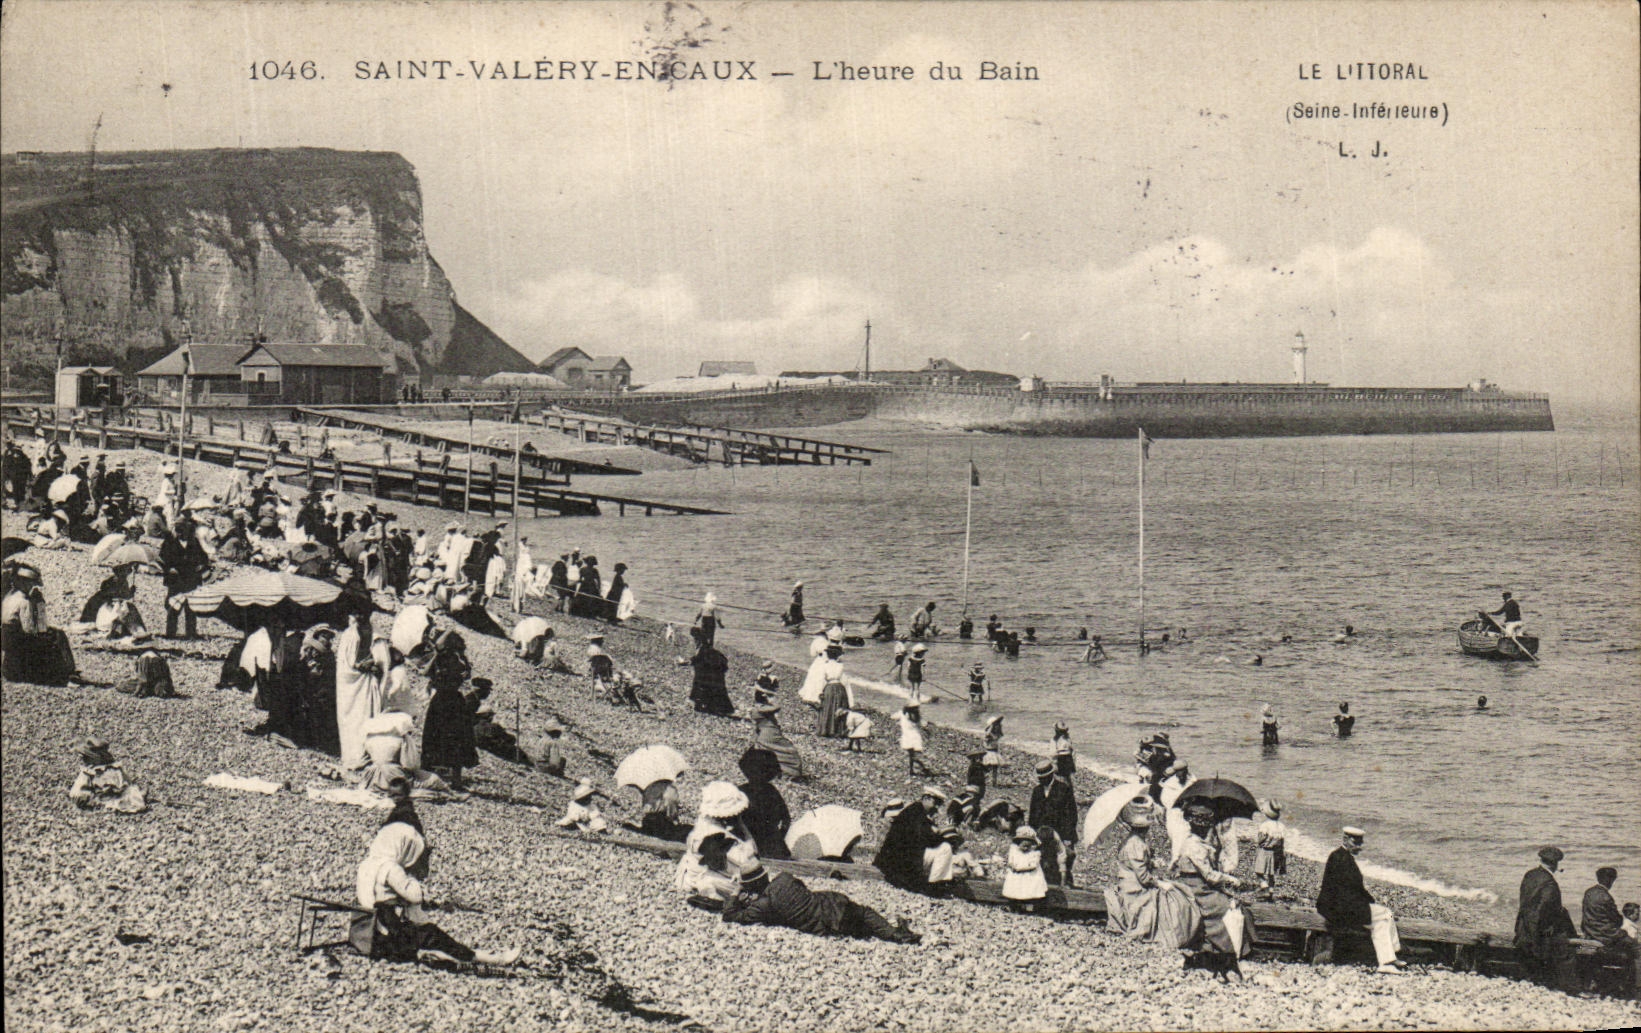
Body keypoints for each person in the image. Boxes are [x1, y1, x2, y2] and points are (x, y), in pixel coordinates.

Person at [354, 819, 520, 966]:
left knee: (430, 939)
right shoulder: (391, 868)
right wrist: (412, 877)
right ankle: (491, 959)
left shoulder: (368, 864)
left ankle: (452, 955)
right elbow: (415, 896)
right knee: (436, 937)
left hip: (370, 931)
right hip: (392, 930)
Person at [722, 859, 920, 943]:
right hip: (835, 903)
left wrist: (735, 892)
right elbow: (803, 889)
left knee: (861, 926)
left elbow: (730, 915)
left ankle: (895, 934)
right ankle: (894, 933)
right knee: (865, 913)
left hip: (828, 925)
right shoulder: (785, 877)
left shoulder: (764, 905)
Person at [1104, 796, 1199, 946]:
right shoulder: (1136, 844)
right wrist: (1160, 883)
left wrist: (1152, 863)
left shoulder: (1132, 840)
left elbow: (1137, 865)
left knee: (1174, 891)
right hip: (1134, 889)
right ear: (1145, 827)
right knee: (1172, 897)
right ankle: (1173, 934)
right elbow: (1144, 878)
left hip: (1129, 882)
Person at [1175, 800, 1253, 980]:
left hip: (1196, 883)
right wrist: (1230, 879)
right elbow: (1209, 875)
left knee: (1227, 902)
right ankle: (1224, 949)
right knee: (1223, 906)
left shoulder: (1196, 843)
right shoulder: (1195, 846)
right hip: (1196, 887)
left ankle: (1221, 949)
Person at [1316, 826, 1405, 974]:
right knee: (1383, 916)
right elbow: (1346, 891)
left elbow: (1354, 889)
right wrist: (1366, 905)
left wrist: (1369, 903)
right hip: (1337, 908)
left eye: (1360, 843)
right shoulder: (1341, 859)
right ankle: (1387, 960)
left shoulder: (1341, 856)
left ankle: (1391, 957)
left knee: (1384, 916)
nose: (1359, 846)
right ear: (1345, 839)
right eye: (1356, 842)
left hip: (1341, 904)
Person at [2, 562, 82, 685]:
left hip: (8, 644)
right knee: (58, 635)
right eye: (31, 584)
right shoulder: (24, 601)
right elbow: (32, 630)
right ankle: (67, 673)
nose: (32, 587)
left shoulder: (8, 597)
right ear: (25, 583)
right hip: (21, 644)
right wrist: (40, 606)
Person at [1515, 846, 1579, 992]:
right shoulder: (1550, 883)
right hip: (1538, 930)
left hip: (1523, 925)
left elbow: (1527, 903)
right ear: (1555, 864)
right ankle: (1569, 988)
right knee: (1566, 946)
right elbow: (1545, 911)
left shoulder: (1530, 874)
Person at [676, 781, 754, 898]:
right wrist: (742, 826)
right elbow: (751, 858)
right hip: (706, 878)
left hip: (690, 873)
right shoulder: (719, 836)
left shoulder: (704, 822)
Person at [420, 630, 477, 790]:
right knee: (457, 741)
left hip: (440, 702)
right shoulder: (458, 661)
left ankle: (432, 778)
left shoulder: (441, 660)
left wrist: (436, 654)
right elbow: (466, 676)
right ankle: (456, 782)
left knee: (435, 739)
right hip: (454, 702)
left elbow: (425, 672)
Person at [875, 787, 955, 894]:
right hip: (901, 863)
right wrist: (942, 836)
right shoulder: (916, 814)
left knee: (942, 848)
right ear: (926, 798)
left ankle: (936, 883)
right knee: (945, 848)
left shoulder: (914, 811)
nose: (936, 808)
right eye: (935, 803)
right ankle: (934, 885)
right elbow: (927, 839)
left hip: (896, 861)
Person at [1580, 867, 1638, 993]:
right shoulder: (1606, 897)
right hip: (1605, 934)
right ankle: (1634, 986)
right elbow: (1616, 919)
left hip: (1589, 932)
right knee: (1635, 946)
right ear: (1610, 880)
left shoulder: (1589, 892)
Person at [334, 612, 379, 771]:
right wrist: (366, 665)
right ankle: (355, 756)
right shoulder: (351, 635)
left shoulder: (357, 632)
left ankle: (361, 754)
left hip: (357, 681)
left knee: (360, 718)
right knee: (354, 719)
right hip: (352, 683)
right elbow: (351, 662)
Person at [1028, 759, 1080, 887]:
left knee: (1063, 862)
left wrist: (1068, 837)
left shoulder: (1063, 789)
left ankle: (1066, 886)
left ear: (1051, 775)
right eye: (1039, 778)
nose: (1041, 780)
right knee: (1044, 862)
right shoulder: (1037, 791)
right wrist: (1031, 834)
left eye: (1043, 777)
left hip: (1062, 833)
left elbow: (1071, 815)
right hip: (1042, 834)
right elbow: (1032, 814)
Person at [67, 738, 147, 813]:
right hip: (114, 794)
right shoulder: (116, 768)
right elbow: (127, 782)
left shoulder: (89, 772)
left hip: (99, 797)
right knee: (129, 792)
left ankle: (111, 803)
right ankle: (126, 801)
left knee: (83, 795)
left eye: (86, 757)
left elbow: (79, 790)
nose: (83, 759)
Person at [737, 757, 791, 860]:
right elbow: (786, 819)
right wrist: (779, 836)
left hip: (752, 846)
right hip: (770, 845)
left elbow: (786, 819)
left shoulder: (741, 790)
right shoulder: (770, 790)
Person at [687, 630, 735, 716]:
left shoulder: (703, 648)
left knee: (704, 687)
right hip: (711, 673)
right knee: (710, 689)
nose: (693, 641)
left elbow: (699, 659)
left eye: (694, 639)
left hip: (707, 674)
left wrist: (687, 662)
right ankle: (709, 706)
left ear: (698, 639)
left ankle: (705, 706)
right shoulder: (706, 647)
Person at [1001, 826, 1049, 909]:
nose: (1026, 848)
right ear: (1019, 844)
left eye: (1028, 846)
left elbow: (1033, 865)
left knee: (1030, 889)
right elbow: (1010, 860)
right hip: (1016, 875)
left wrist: (1020, 868)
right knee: (1015, 889)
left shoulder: (1034, 854)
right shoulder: (1015, 851)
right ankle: (1014, 905)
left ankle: (1029, 906)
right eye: (1023, 846)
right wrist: (1011, 865)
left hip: (1030, 875)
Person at [753, 703, 803, 777]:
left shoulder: (765, 733)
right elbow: (777, 706)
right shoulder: (769, 732)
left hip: (789, 770)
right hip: (792, 769)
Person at [814, 640, 852, 738]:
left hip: (829, 687)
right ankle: (838, 729)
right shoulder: (841, 666)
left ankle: (827, 729)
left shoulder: (825, 666)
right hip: (839, 687)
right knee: (839, 706)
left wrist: (819, 692)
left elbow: (821, 680)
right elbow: (845, 680)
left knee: (827, 707)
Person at [1252, 800, 1288, 898]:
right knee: (1271, 874)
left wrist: (1259, 843)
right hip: (1276, 852)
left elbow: (1261, 839)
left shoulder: (1265, 825)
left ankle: (1265, 887)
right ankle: (1271, 892)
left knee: (1259, 872)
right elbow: (1282, 841)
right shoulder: (1281, 826)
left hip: (1265, 851)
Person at [896, 704, 929, 776]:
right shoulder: (917, 717)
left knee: (911, 755)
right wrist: (927, 731)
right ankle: (917, 768)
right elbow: (923, 725)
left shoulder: (904, 716)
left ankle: (915, 769)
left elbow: (894, 716)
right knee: (912, 755)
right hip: (915, 737)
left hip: (907, 737)